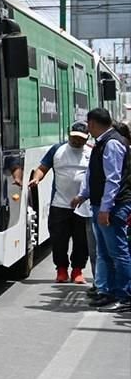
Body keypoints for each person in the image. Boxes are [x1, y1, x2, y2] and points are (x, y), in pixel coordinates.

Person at [72, 108, 131, 313]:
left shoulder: (112, 143)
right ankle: (108, 292)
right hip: (100, 205)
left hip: (113, 207)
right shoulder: (102, 143)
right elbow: (93, 174)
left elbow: (113, 180)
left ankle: (125, 296)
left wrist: (106, 209)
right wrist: (83, 195)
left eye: (88, 124)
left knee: (118, 253)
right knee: (105, 253)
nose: (88, 128)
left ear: (94, 123)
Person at [29, 122, 91, 283]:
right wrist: (36, 178)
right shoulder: (58, 150)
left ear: (87, 138)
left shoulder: (91, 152)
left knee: (81, 241)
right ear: (69, 135)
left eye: (81, 139)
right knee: (59, 240)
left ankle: (77, 270)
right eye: (74, 137)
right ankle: (61, 270)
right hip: (60, 205)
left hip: (83, 206)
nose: (77, 141)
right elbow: (43, 168)